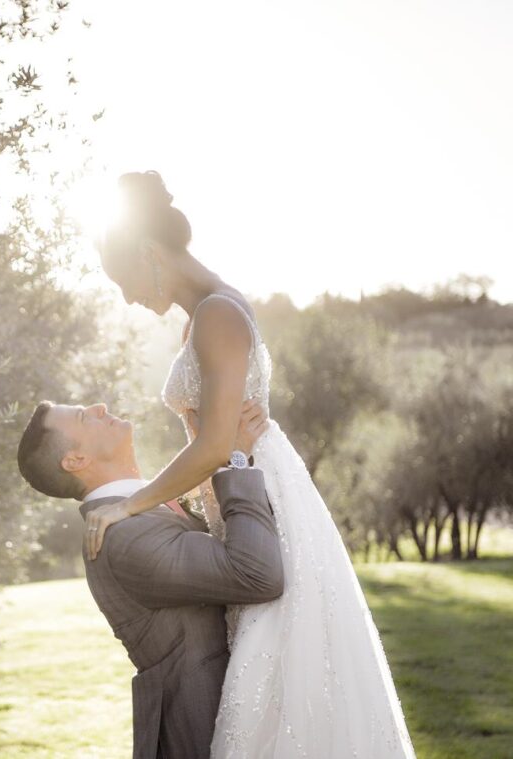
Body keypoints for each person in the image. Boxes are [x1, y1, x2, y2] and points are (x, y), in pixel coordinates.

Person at [87, 170, 415, 758]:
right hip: (239, 496)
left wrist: (130, 504)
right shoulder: (203, 315)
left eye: (123, 280)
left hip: (263, 504)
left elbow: (215, 445)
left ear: (147, 253)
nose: (127, 298)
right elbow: (214, 440)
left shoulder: (217, 314)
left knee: (278, 673)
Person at [17, 399, 283, 759]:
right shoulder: (123, 538)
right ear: (75, 461)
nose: (99, 406)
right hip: (207, 730)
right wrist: (236, 458)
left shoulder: (138, 511)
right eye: (83, 416)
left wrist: (209, 453)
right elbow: (256, 573)